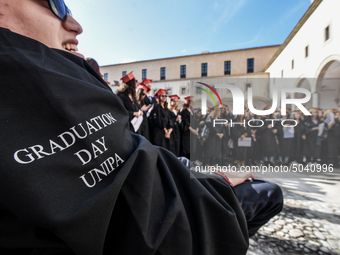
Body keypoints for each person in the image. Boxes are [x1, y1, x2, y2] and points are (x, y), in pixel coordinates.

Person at [0, 1, 283, 254]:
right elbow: (139, 213)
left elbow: (131, 156)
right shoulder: (36, 78)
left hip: (158, 190)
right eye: (57, 5)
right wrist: (214, 184)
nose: (75, 25)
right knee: (269, 194)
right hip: (161, 225)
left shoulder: (46, 75)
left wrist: (197, 172)